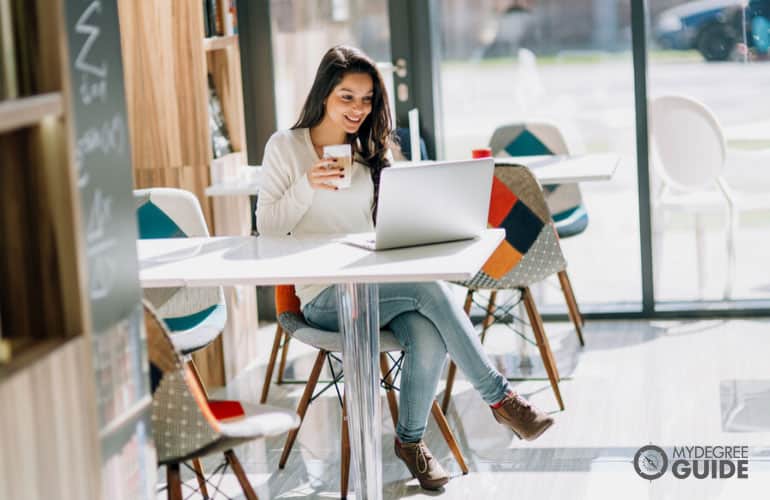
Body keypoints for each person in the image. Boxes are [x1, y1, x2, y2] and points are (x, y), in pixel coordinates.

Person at [256, 45, 554, 491]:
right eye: (347, 97)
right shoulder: (286, 147)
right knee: (431, 291)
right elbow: (268, 231)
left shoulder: (369, 149)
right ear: (323, 94)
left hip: (377, 282)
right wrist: (306, 185)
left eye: (367, 99)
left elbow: (395, 219)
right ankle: (501, 398)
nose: (359, 109)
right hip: (323, 296)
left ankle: (410, 442)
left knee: (427, 330)